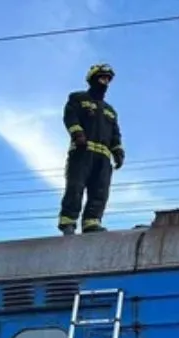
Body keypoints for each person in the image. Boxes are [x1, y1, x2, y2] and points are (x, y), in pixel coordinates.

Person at [58, 63, 125, 236]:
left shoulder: (110, 111)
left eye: (108, 79)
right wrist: (77, 133)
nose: (105, 81)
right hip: (82, 152)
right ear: (93, 79)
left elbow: (115, 133)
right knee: (75, 186)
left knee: (100, 191)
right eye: (102, 77)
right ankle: (68, 222)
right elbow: (70, 117)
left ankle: (91, 222)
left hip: (103, 158)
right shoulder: (78, 99)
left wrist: (118, 151)